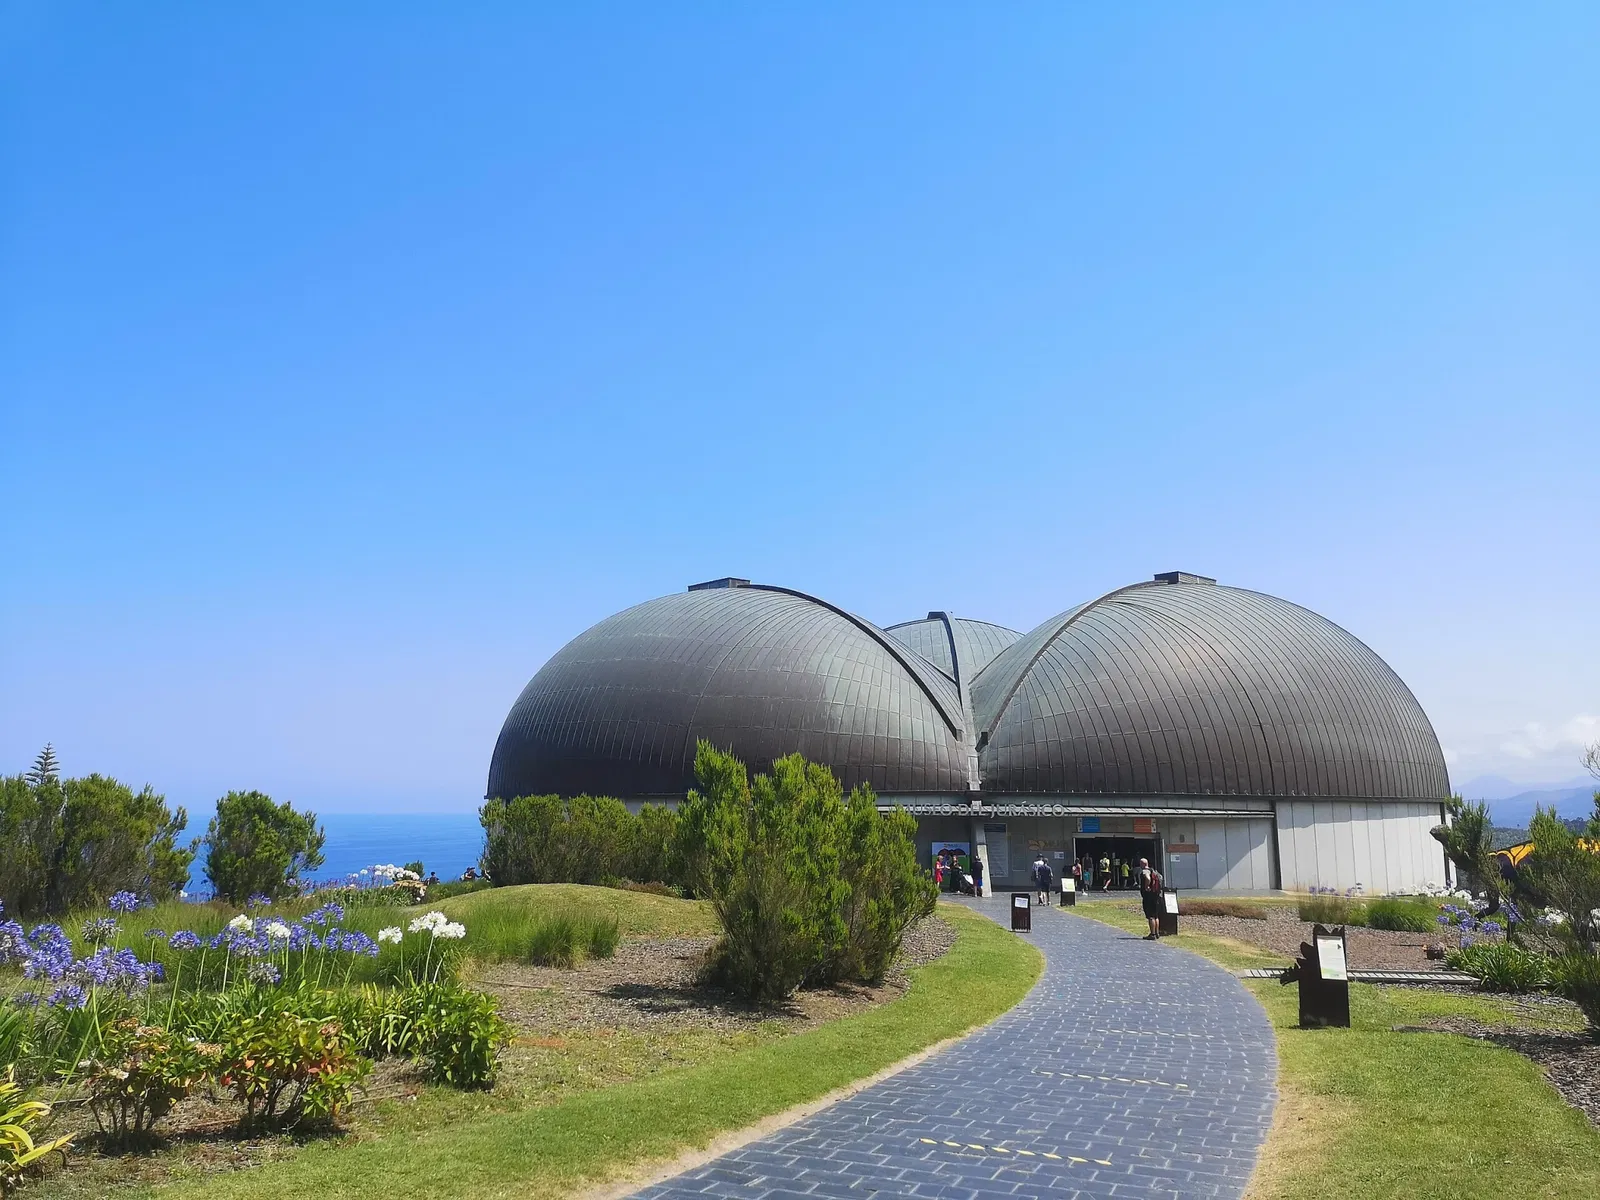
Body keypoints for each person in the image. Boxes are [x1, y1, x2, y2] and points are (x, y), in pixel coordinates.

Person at [1137, 856, 1165, 939]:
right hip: (1156, 895)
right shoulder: (1154, 871)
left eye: (1140, 863)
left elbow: (1148, 878)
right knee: (1156, 915)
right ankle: (1156, 933)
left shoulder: (1145, 871)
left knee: (1150, 916)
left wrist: (1146, 886)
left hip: (1149, 896)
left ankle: (1152, 934)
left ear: (1143, 864)